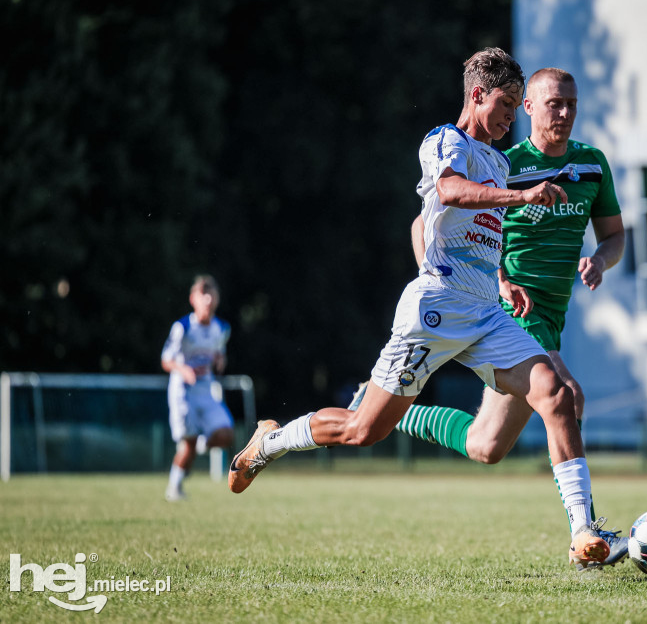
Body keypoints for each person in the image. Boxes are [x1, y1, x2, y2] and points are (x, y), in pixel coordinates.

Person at [228, 48, 619, 569]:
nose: (509, 116)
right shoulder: (443, 141)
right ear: (477, 95)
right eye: (504, 103)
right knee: (363, 431)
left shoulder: (501, 160)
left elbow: (480, 233)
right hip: (433, 310)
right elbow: (452, 192)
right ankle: (267, 444)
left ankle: (583, 534)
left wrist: (500, 281)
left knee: (557, 395)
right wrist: (521, 199)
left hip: (484, 314)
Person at [362, 67, 628, 569]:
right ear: (527, 106)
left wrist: (601, 258)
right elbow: (430, 218)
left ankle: (396, 411)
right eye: (554, 104)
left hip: (553, 317)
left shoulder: (592, 166)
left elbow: (615, 236)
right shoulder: (504, 164)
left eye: (572, 103)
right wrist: (485, 279)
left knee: (486, 446)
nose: (565, 113)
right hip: (504, 312)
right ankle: (588, 536)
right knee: (565, 395)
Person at [160, 275, 234, 501]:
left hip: (206, 390)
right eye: (204, 294)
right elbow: (166, 360)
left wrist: (221, 360)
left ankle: (202, 445)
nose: (209, 299)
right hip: (182, 392)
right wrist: (184, 370)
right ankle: (174, 488)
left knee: (226, 435)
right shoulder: (182, 327)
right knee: (188, 445)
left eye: (212, 294)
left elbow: (218, 353)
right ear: (193, 299)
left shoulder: (221, 328)